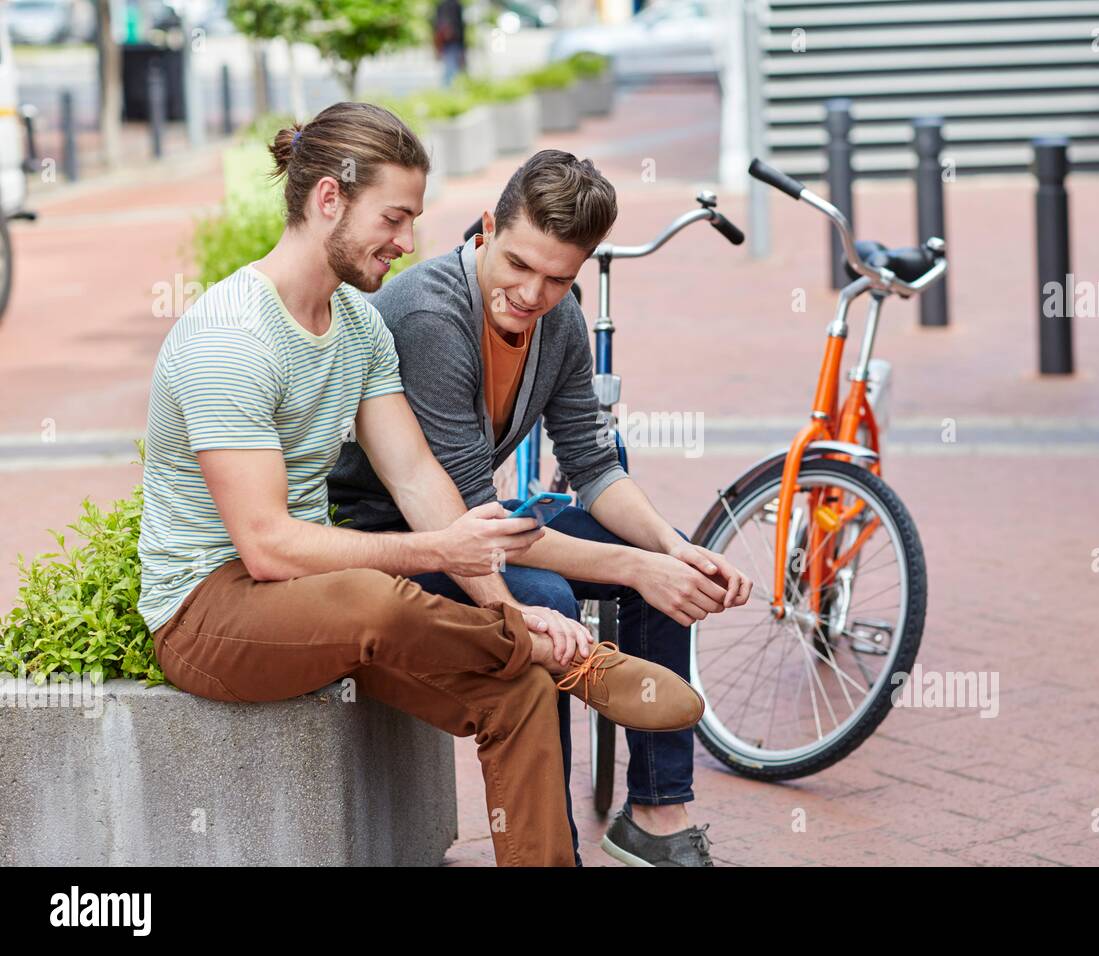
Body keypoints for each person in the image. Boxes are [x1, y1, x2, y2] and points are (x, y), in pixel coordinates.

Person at [137, 104, 704, 868]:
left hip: (321, 607)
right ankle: (563, 657)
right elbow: (266, 548)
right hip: (208, 615)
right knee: (373, 591)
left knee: (523, 691)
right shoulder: (231, 337)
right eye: (395, 218)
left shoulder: (360, 328)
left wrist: (512, 610)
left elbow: (417, 478)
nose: (407, 242)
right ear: (329, 201)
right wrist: (452, 557)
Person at [327, 148, 754, 866]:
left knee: (659, 556)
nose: (532, 293)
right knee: (545, 596)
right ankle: (550, 847)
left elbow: (592, 464)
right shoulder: (431, 316)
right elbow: (469, 520)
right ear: (488, 227)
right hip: (395, 537)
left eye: (558, 278)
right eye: (520, 265)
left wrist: (668, 551)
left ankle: (655, 812)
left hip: (477, 522)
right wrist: (636, 566)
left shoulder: (559, 320)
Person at [433, 0, 466, 88]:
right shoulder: (452, 5)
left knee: (452, 70)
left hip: (452, 42)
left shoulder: (443, 5)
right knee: (451, 71)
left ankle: (450, 91)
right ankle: (449, 92)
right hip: (450, 42)